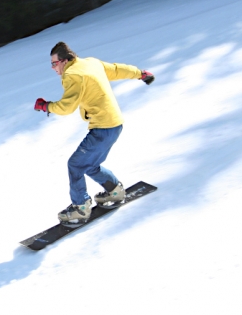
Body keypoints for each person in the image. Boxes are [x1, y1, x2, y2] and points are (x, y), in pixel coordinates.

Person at [34, 41, 155, 224]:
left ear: (65, 61)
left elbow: (67, 107)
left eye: (54, 63)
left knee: (75, 164)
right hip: (115, 124)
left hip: (102, 128)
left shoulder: (72, 75)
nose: (53, 68)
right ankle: (114, 191)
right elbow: (116, 69)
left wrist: (46, 106)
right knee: (89, 164)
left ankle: (80, 208)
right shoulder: (90, 62)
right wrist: (140, 73)